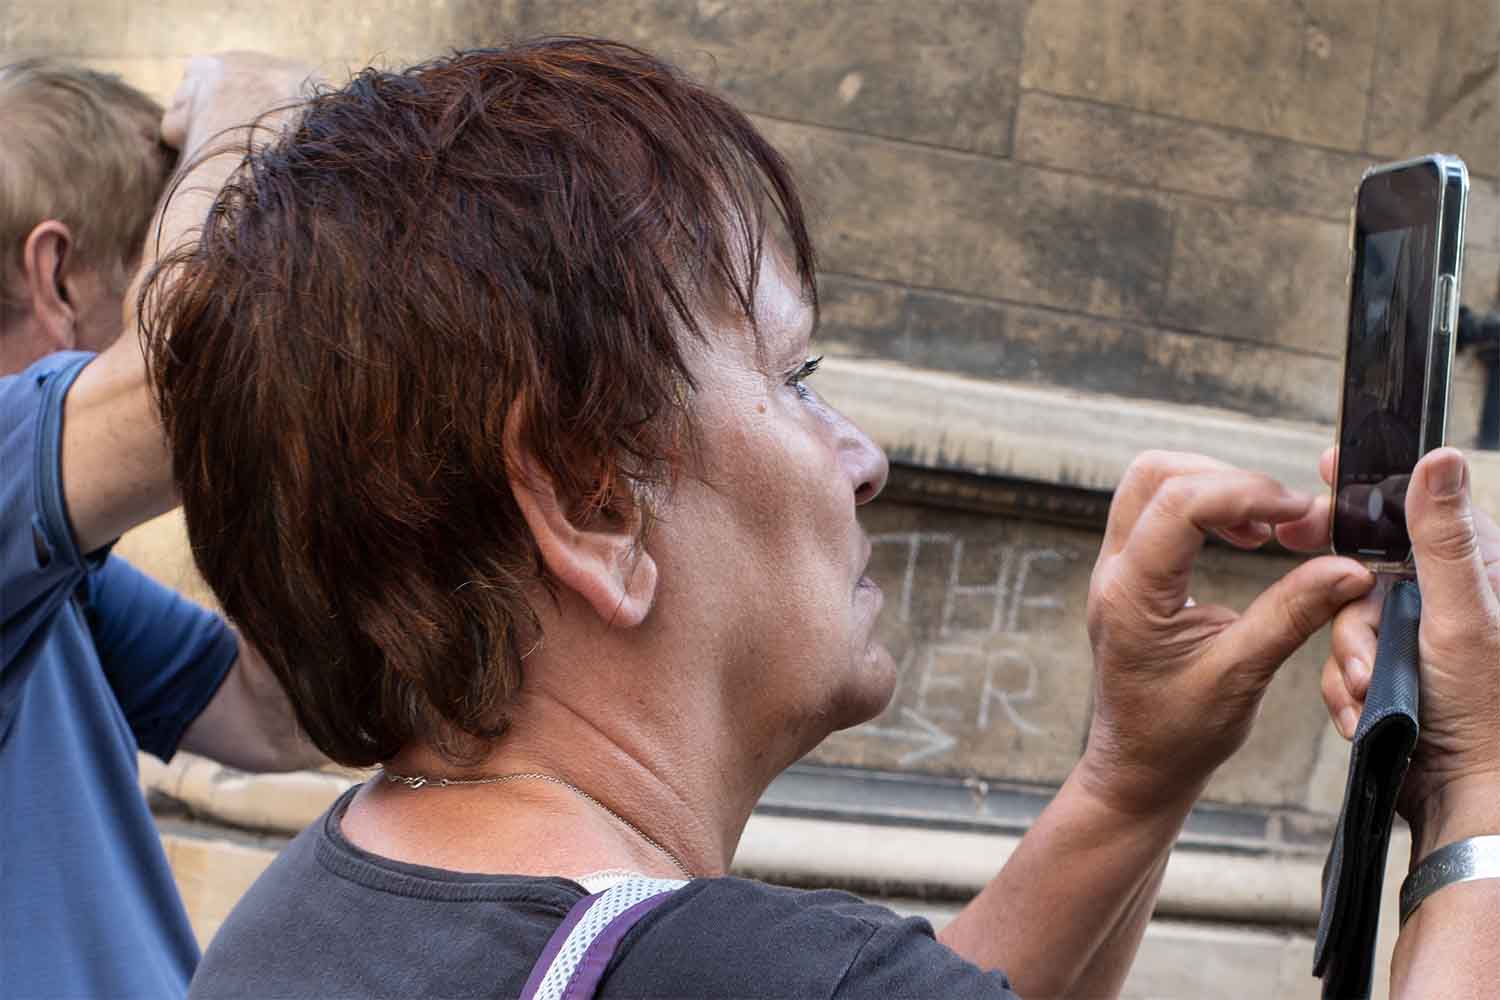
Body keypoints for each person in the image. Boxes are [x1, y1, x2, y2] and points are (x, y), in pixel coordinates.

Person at [140, 41, 1500, 999]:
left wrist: (1133, 780)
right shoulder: (770, 975)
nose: (865, 459)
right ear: (594, 502)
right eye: (798, 376)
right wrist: (1478, 793)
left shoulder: (315, 908)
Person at [0, 58, 320, 999]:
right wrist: (248, 121)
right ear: (56, 276)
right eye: (172, 257)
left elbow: (277, 716)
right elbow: (177, 380)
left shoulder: (57, 574)